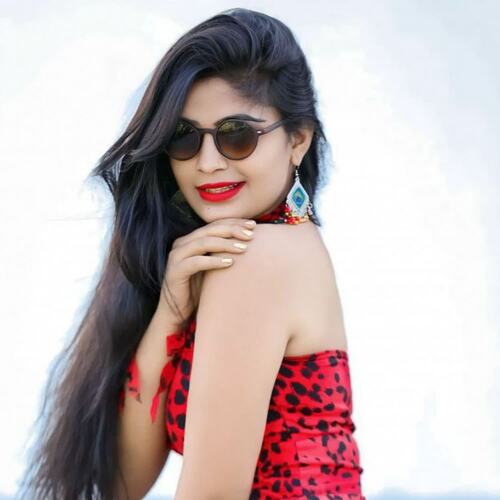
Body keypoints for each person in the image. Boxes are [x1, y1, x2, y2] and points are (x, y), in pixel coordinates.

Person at [18, 7, 365, 500]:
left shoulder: (257, 259)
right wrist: (171, 311)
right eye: (183, 138)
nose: (207, 163)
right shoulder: (256, 253)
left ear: (298, 140)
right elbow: (124, 485)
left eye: (237, 135)